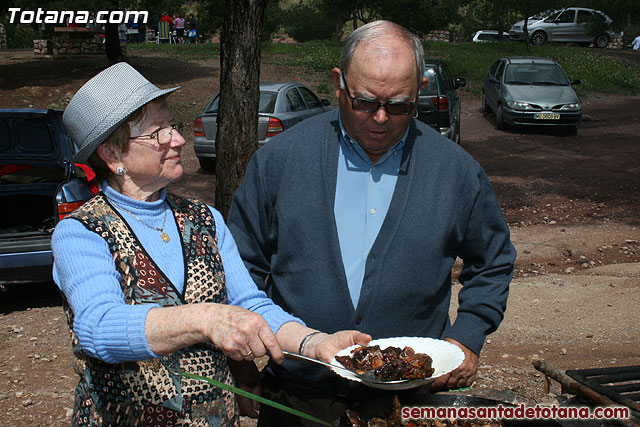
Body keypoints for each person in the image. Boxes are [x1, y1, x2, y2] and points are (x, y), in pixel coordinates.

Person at [227, 20, 516, 425]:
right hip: (298, 396)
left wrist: (466, 337)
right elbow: (241, 265)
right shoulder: (280, 161)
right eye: (365, 102)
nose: (381, 118)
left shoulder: (455, 172)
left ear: (419, 93)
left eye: (399, 105)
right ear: (338, 83)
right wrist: (241, 358)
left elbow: (493, 262)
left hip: (410, 400)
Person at [53, 62, 370, 426]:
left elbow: (250, 305)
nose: (178, 140)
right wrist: (206, 318)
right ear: (112, 154)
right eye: (158, 132)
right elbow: (98, 327)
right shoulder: (81, 232)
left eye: (173, 125)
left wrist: (315, 344)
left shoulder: (204, 219)